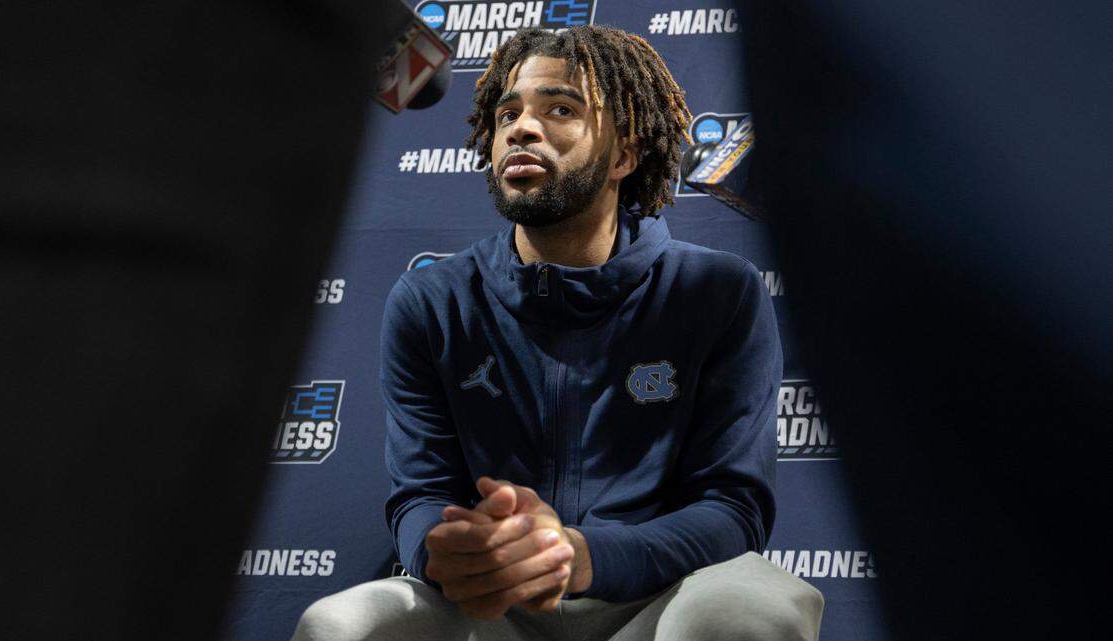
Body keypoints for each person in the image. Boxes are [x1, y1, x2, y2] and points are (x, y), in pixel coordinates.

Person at [292, 25, 823, 641]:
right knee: (340, 626)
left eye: (561, 109)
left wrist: (579, 554)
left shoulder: (717, 291)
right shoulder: (432, 301)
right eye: (507, 113)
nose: (521, 127)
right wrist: (454, 552)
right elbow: (421, 495)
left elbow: (733, 509)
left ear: (624, 155)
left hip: (663, 595)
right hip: (496, 607)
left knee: (746, 613)